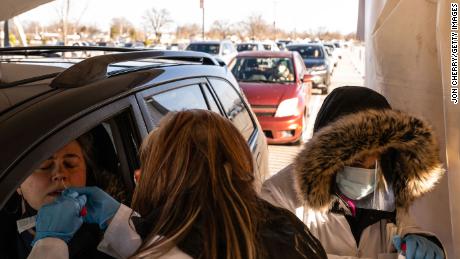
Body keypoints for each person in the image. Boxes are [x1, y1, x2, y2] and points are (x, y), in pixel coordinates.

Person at [28, 109, 327, 259]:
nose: (58, 174)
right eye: (42, 165)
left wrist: (48, 244)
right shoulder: (285, 228)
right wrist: (120, 221)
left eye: (148, 168)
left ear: (165, 177)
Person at [260, 86, 445, 259]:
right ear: (326, 156)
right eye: (354, 160)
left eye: (373, 160)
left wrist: (422, 239)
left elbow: (403, 228)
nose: (364, 169)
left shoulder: (387, 188)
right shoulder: (278, 197)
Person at [0, 129, 126, 259]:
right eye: (44, 165)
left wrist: (119, 223)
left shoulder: (108, 228)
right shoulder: (5, 237)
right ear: (18, 185)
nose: (60, 174)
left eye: (71, 164)